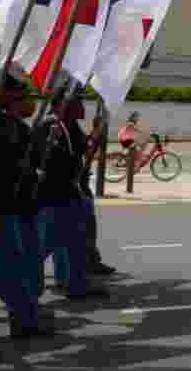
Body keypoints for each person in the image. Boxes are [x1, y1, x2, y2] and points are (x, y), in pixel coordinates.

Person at [31, 87, 109, 300]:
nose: (82, 107)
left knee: (74, 241)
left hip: (70, 193)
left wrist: (96, 133)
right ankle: (23, 283)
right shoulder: (50, 126)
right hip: (54, 195)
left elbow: (83, 150)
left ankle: (74, 284)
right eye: (77, 103)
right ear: (63, 105)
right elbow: (55, 161)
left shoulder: (70, 126)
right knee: (45, 244)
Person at [0, 72, 51, 339]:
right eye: (19, 96)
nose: (27, 101)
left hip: (12, 206)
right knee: (8, 268)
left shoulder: (13, 125)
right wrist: (23, 171)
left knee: (14, 265)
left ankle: (25, 318)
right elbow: (2, 166)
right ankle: (25, 318)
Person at [80, 115, 116, 275]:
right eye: (104, 126)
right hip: (77, 187)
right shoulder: (87, 139)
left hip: (82, 185)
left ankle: (92, 260)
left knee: (89, 227)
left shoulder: (91, 139)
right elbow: (85, 157)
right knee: (85, 226)